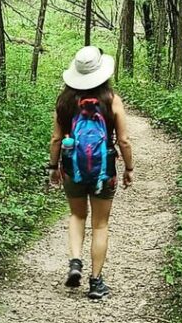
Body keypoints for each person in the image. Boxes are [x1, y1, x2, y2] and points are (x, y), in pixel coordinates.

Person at [48, 45, 134, 300]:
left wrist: (53, 168)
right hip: (103, 170)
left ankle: (75, 261)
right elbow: (125, 141)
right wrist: (129, 168)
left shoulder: (64, 102)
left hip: (71, 167)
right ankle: (96, 283)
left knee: (76, 215)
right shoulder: (111, 100)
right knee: (100, 224)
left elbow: (55, 139)